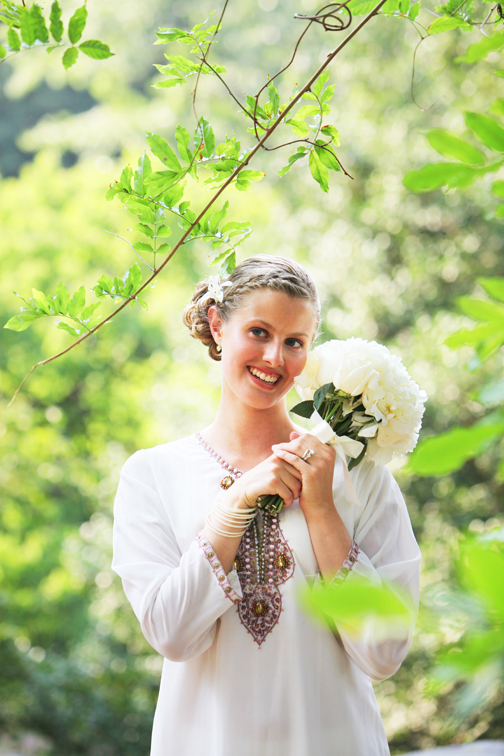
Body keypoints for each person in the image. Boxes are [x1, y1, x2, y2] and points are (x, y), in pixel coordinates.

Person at [112, 255, 421, 756]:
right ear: (217, 325)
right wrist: (232, 506)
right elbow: (171, 634)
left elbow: (383, 653)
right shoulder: (152, 475)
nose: (275, 357)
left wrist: (322, 510)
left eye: (294, 342)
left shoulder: (361, 476)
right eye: (258, 332)